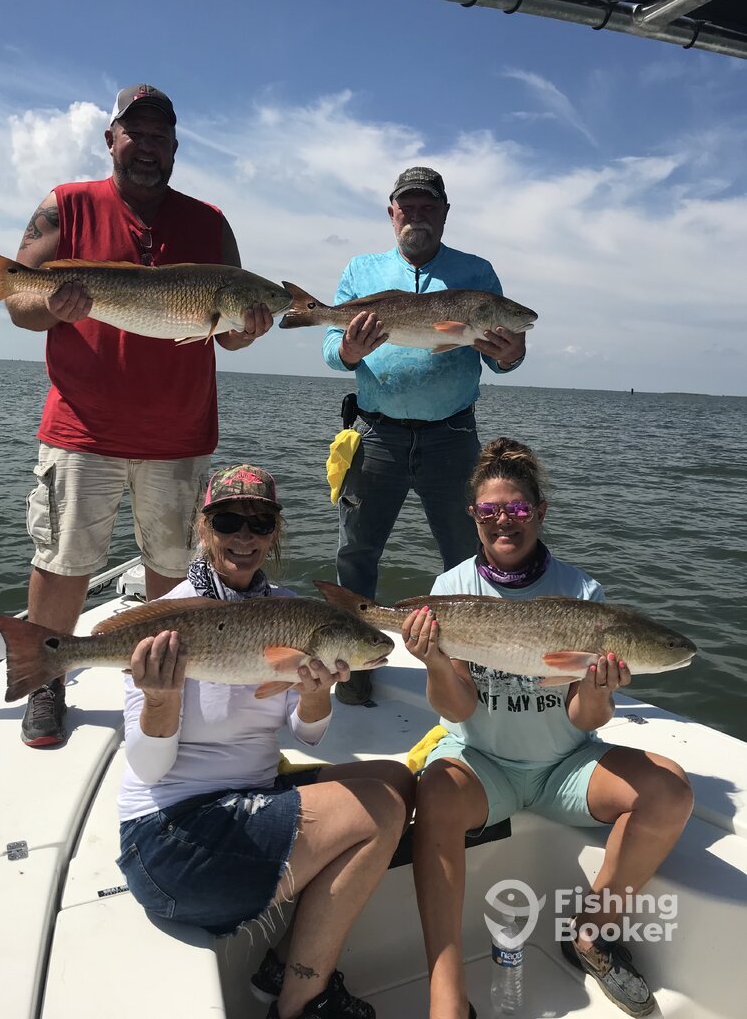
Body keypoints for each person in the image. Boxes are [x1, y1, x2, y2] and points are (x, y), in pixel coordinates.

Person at [8, 84, 274, 747]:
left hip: (179, 433)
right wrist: (52, 307)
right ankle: (45, 681)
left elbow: (228, 333)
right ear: (112, 140)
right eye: (136, 133)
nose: (148, 146)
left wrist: (250, 328)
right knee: (63, 560)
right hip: (82, 427)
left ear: (176, 146)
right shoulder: (66, 205)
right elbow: (16, 301)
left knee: (175, 567)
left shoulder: (211, 222)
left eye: (160, 136)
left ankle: (167, 687)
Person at [404, 439, 694, 1019]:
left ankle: (590, 933)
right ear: (473, 517)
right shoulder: (451, 589)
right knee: (434, 795)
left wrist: (598, 687)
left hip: (566, 766)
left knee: (671, 791)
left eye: (517, 508)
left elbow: (586, 718)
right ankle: (446, 992)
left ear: (539, 512)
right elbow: (458, 710)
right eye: (490, 511)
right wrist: (434, 660)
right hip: (483, 763)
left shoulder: (583, 593)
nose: (503, 522)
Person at [117, 464, 415, 1019]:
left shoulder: (288, 609)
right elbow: (148, 769)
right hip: (172, 841)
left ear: (275, 532)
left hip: (248, 798)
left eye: (260, 523)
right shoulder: (172, 618)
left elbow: (307, 735)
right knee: (378, 808)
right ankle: (302, 1002)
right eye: (228, 521)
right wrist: (160, 698)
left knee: (397, 779)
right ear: (204, 528)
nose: (244, 536)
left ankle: (282, 963)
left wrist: (317, 696)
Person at [322, 167, 527, 705]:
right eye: (407, 206)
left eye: (427, 206)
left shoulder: (477, 273)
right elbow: (330, 350)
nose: (416, 215)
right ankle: (354, 668)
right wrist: (348, 350)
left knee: (469, 556)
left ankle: (471, 672)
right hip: (376, 434)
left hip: (453, 437)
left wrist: (512, 354)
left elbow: (502, 357)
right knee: (356, 553)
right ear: (392, 213)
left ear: (444, 213)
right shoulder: (361, 270)